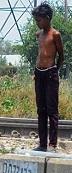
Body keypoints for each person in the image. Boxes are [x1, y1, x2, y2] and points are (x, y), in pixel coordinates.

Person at [32, 2, 64, 152]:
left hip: (50, 73)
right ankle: (42, 143)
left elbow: (61, 56)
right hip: (39, 73)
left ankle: (52, 144)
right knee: (41, 109)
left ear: (47, 18)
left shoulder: (55, 35)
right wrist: (38, 71)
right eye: (36, 20)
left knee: (52, 110)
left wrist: (54, 70)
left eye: (39, 20)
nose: (37, 23)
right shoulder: (39, 35)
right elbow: (40, 53)